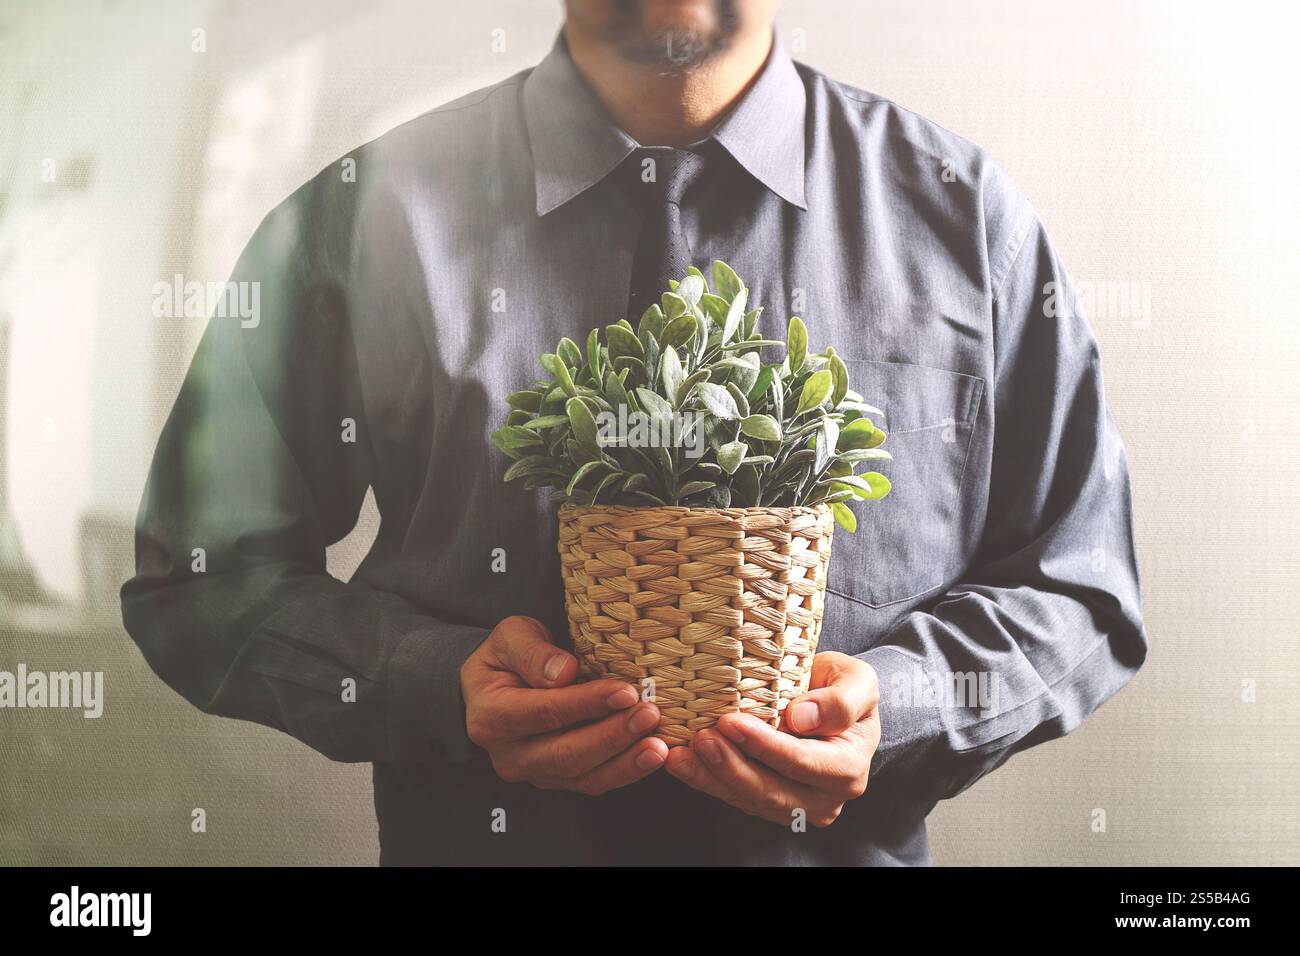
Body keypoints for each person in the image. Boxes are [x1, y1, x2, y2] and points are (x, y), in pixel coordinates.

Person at [122, 0, 1147, 865]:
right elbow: (198, 578)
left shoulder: (966, 224)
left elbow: (1081, 588)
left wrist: (906, 701)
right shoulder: (361, 221)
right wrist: (432, 678)